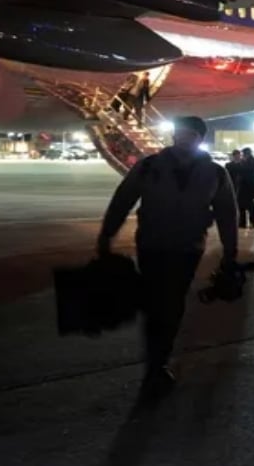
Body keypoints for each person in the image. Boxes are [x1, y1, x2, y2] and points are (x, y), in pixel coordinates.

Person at [95, 115, 238, 395]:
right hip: (151, 245)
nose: (184, 138)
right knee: (155, 304)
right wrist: (107, 234)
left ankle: (158, 361)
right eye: (180, 133)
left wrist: (230, 252)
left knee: (171, 303)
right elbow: (123, 199)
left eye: (191, 134)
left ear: (200, 138)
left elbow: (227, 214)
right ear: (174, 135)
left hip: (188, 248)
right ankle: (155, 361)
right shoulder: (149, 167)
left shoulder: (216, 173)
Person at [237, 147, 254, 229]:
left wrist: (239, 163)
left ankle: (251, 222)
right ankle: (243, 222)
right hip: (246, 187)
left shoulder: (250, 161)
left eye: (243, 154)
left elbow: (245, 171)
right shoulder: (248, 160)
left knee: (249, 206)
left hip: (248, 187)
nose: (242, 155)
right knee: (242, 205)